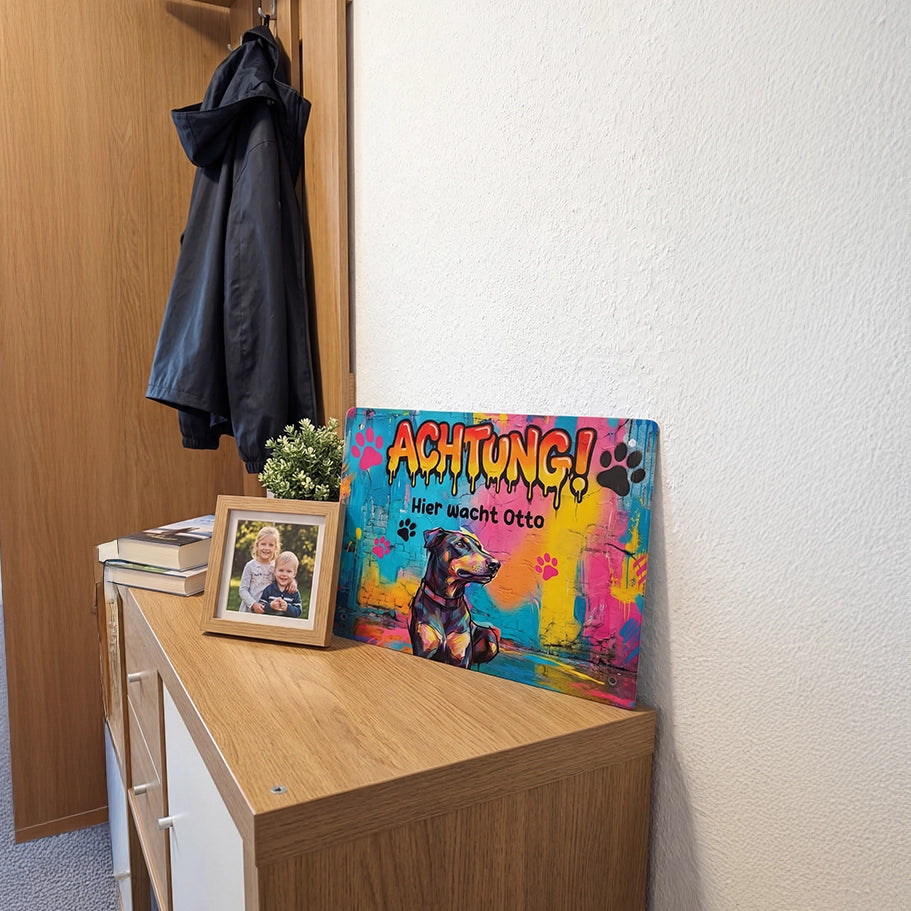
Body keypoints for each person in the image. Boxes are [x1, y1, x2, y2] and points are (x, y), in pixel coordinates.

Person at [238, 526, 282, 613]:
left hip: (268, 609)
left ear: (275, 548)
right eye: (263, 544)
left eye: (271, 545)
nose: (266, 548)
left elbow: (284, 579)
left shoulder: (276, 567)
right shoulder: (250, 566)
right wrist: (253, 604)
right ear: (257, 545)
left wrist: (292, 583)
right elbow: (243, 590)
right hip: (249, 610)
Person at [254, 551, 303, 618]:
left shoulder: (294, 592)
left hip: (286, 623)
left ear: (294, 574)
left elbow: (298, 612)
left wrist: (287, 608)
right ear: (275, 571)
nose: (284, 574)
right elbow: (262, 607)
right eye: (281, 570)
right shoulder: (269, 589)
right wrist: (271, 606)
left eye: (289, 571)